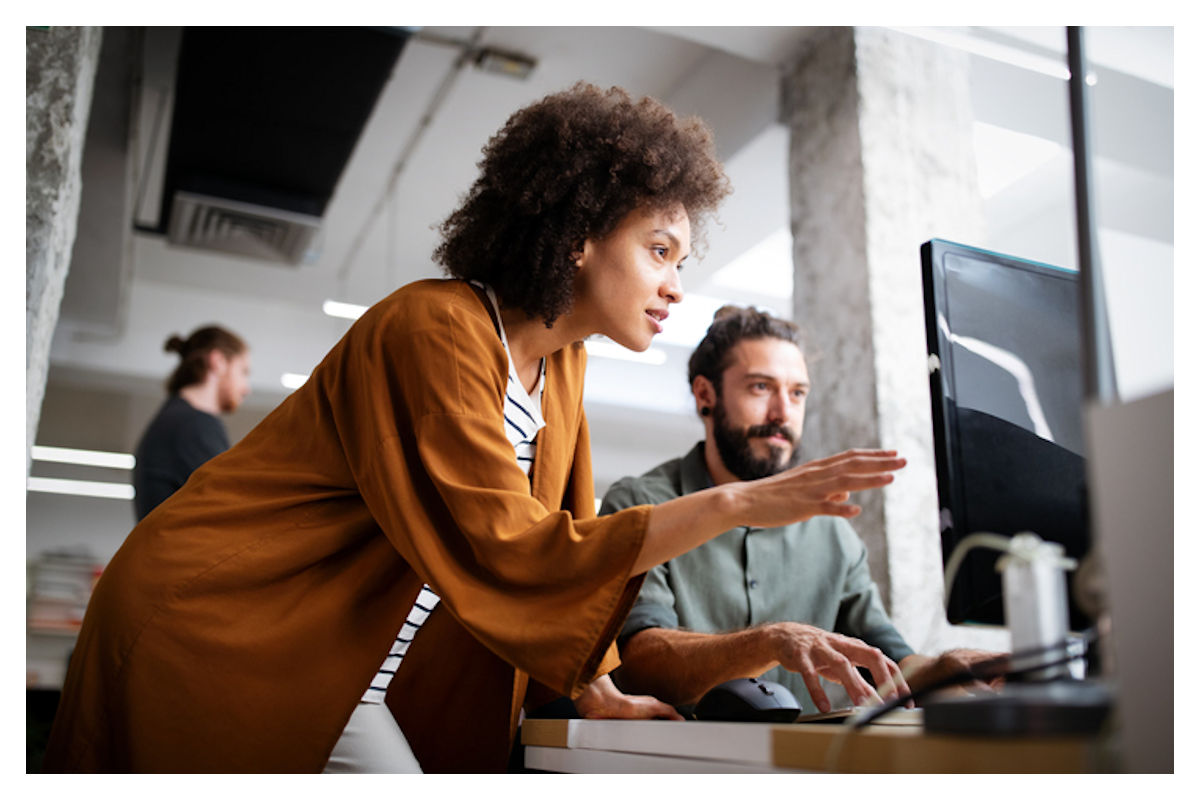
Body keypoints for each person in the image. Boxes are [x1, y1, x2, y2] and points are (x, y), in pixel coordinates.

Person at [43, 84, 906, 774]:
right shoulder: (435, 329)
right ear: (578, 236)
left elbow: (566, 550)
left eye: (683, 261)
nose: (675, 284)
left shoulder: (561, 365)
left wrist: (598, 692)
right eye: (659, 250)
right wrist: (739, 503)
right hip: (223, 623)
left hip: (342, 665)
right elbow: (515, 548)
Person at [602, 306, 994, 715]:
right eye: (760, 387)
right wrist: (769, 642)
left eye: (797, 393)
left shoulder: (832, 529)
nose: (782, 414)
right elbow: (638, 663)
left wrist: (947, 669)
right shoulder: (640, 505)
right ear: (705, 395)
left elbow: (889, 662)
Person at [132, 326, 251, 520]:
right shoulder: (194, 424)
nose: (246, 389)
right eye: (243, 372)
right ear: (218, 361)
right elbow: (232, 508)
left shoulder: (176, 419)